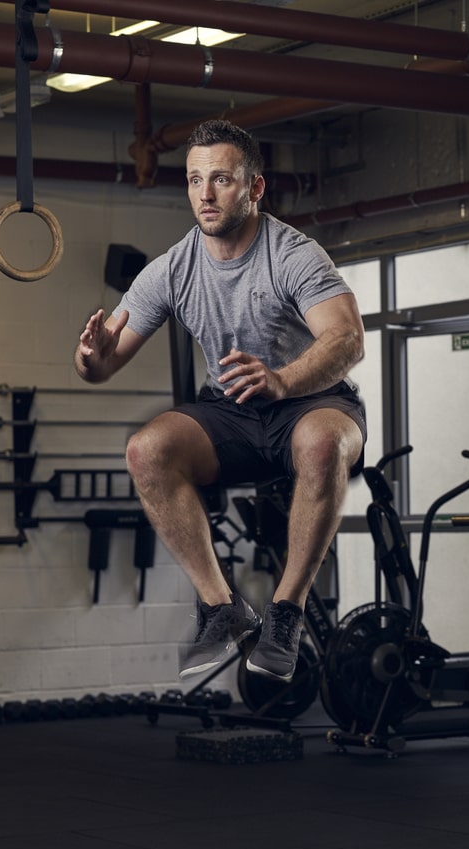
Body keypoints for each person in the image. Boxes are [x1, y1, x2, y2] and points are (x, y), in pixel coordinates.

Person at [74, 119, 366, 684]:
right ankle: (221, 605)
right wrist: (91, 355)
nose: (204, 195)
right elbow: (100, 366)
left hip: (312, 400)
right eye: (194, 180)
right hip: (233, 408)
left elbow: (347, 339)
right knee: (146, 449)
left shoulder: (293, 254)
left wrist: (283, 380)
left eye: (221, 179)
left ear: (254, 188)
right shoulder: (174, 267)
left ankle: (285, 614)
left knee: (324, 440)